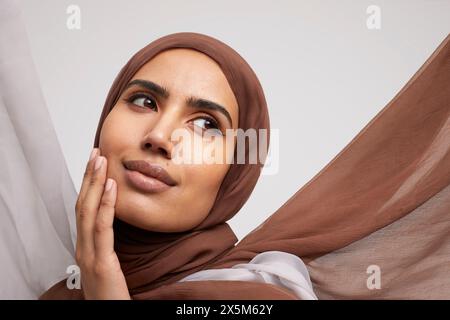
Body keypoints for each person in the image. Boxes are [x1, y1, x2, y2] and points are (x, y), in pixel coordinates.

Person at [2, 0, 449, 300]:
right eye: (143, 100)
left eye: (206, 125)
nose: (159, 136)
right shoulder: (57, 292)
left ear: (236, 174)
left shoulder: (255, 297)